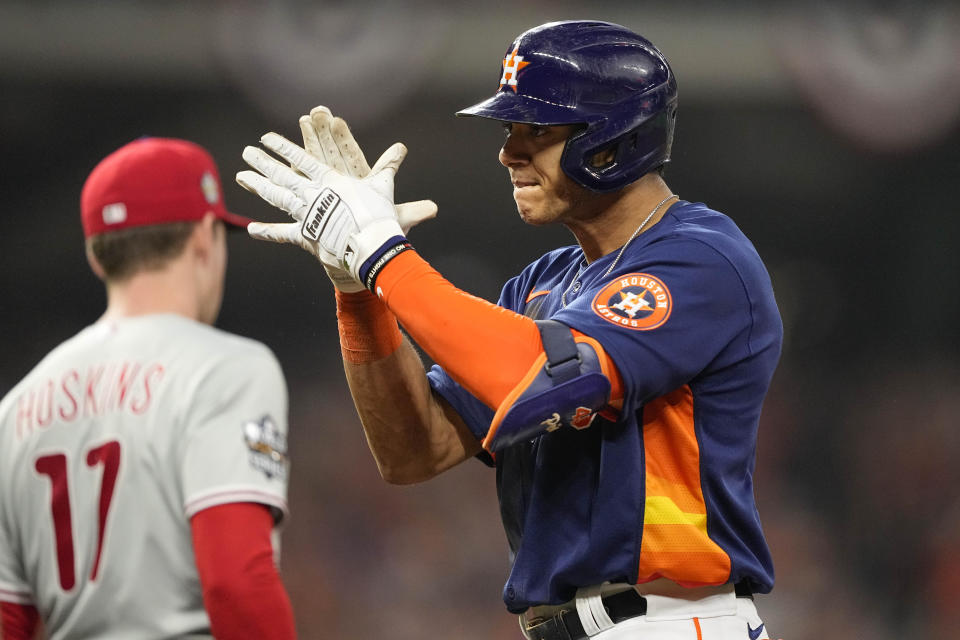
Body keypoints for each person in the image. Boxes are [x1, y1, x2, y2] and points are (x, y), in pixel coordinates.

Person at [238, 19, 782, 640]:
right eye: (509, 129)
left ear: (613, 141)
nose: (509, 153)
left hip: (670, 621)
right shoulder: (543, 284)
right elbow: (415, 450)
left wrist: (384, 256)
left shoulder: (702, 259)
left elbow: (545, 376)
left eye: (537, 130)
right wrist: (360, 291)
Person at [0, 138, 297, 639]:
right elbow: (235, 584)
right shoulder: (226, 368)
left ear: (98, 257)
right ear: (205, 236)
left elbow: (8, 618)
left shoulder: (14, 409)